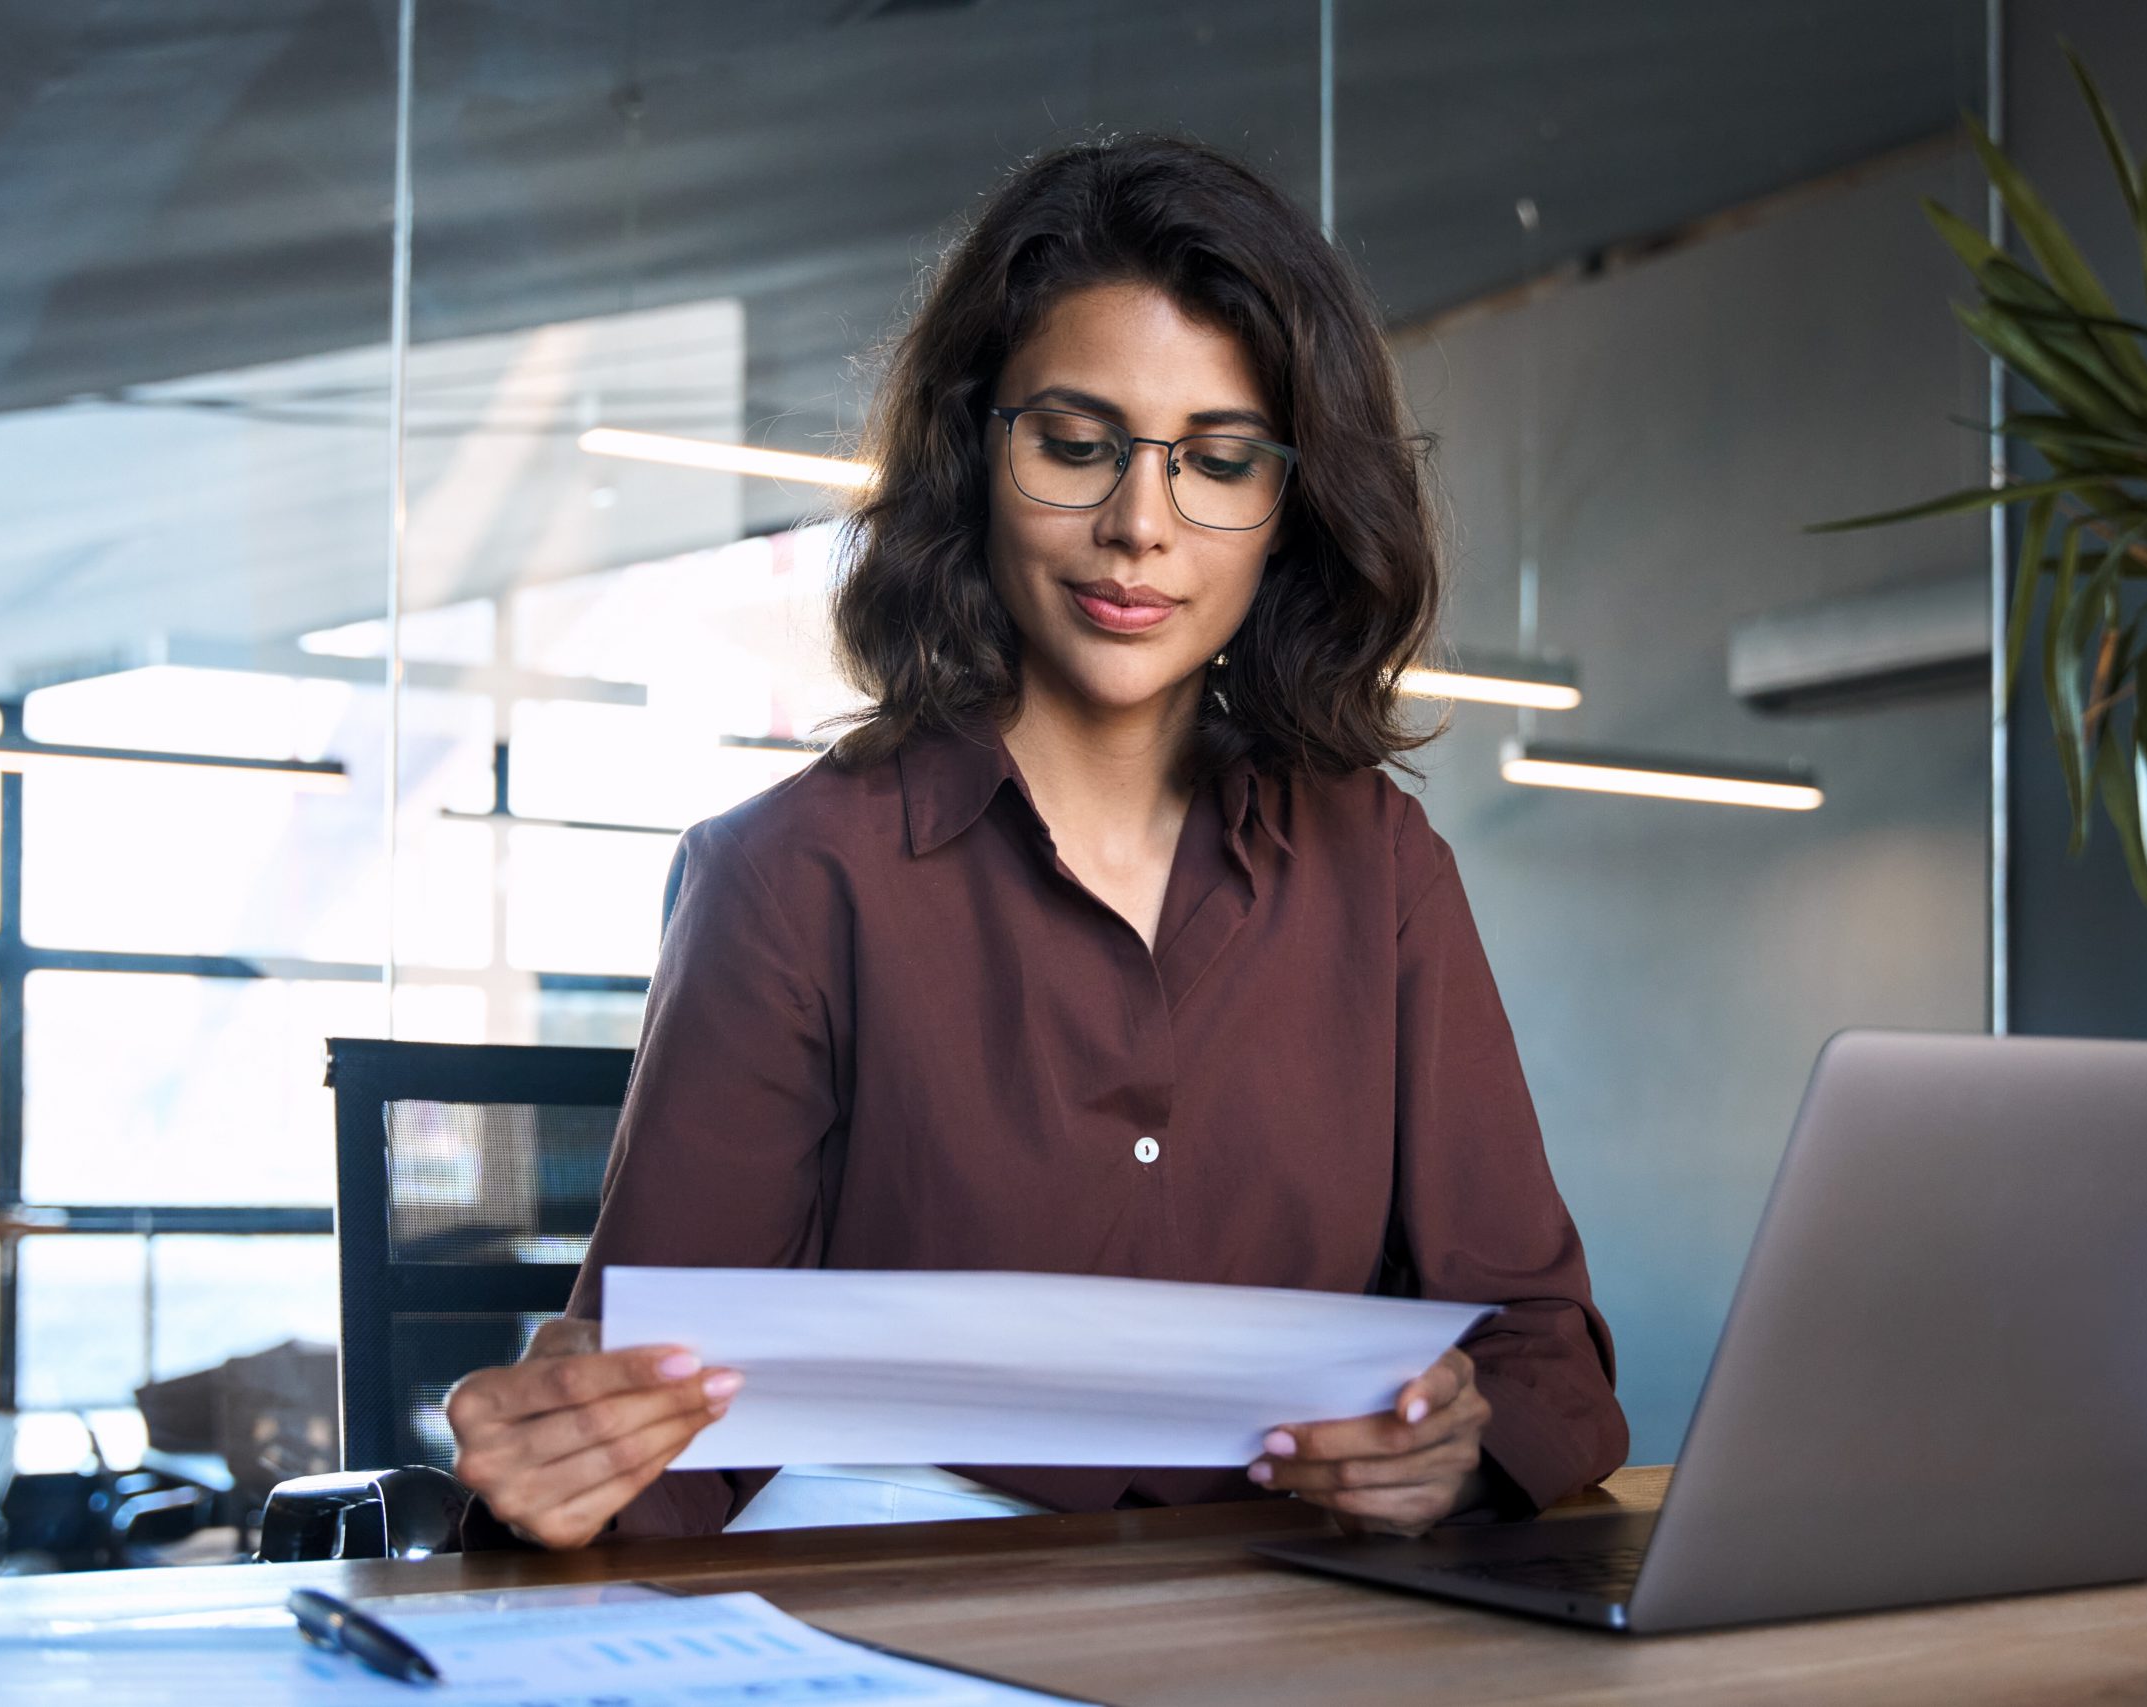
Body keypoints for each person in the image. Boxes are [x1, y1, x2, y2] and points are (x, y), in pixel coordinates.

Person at [444, 134, 1628, 1550]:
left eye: (1220, 461)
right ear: (973, 456)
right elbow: (655, 1431)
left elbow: (1544, 1353)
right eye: (1075, 446)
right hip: (904, 1604)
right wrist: (563, 1463)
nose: (1140, 526)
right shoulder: (790, 878)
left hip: (1296, 1621)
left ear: (1287, 510)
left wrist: (1458, 1449)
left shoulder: (1381, 873)